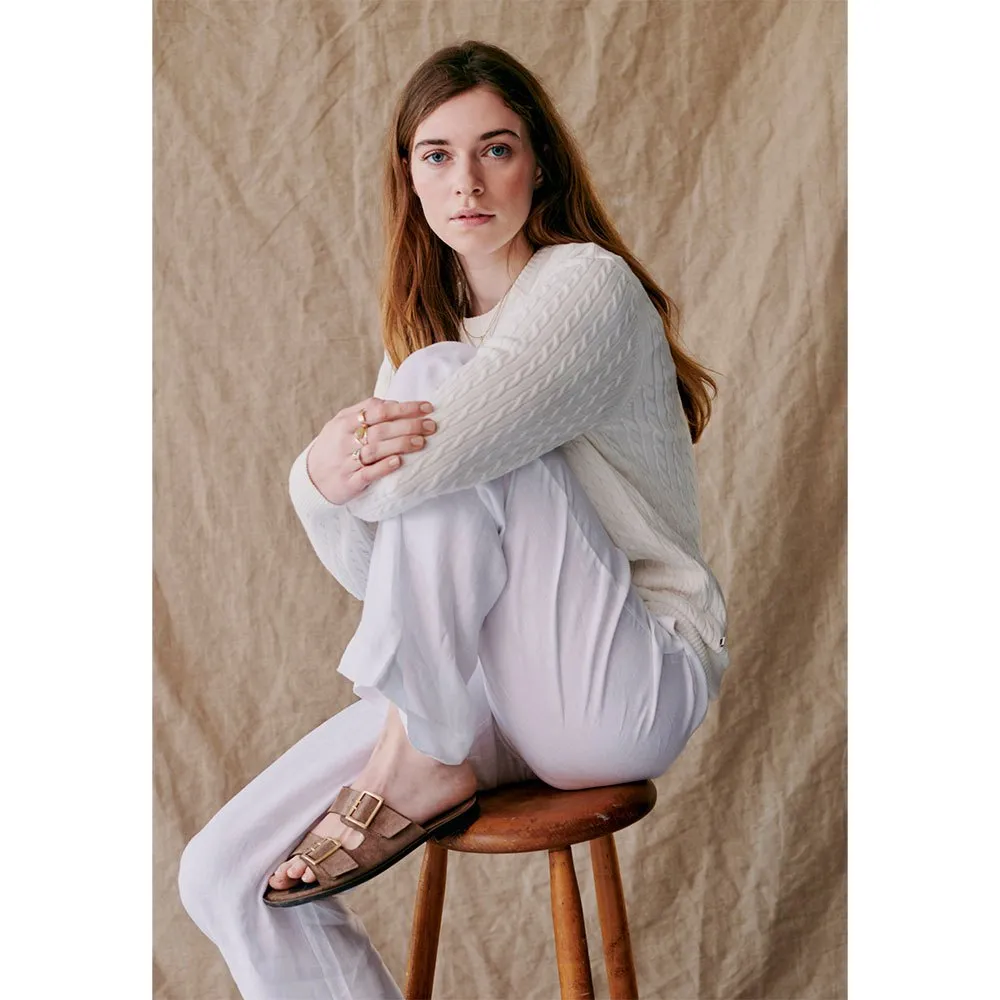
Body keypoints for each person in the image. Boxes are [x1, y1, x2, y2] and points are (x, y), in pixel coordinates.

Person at [178, 39, 730, 1000]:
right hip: (488, 688)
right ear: (411, 177)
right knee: (218, 873)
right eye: (437, 155)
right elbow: (388, 578)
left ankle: (423, 754)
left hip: (628, 682)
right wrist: (329, 483)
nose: (466, 181)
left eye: (495, 149)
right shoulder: (425, 342)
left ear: (539, 164)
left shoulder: (585, 286)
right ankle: (424, 747)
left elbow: (416, 478)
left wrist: (320, 474)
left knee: (439, 384)